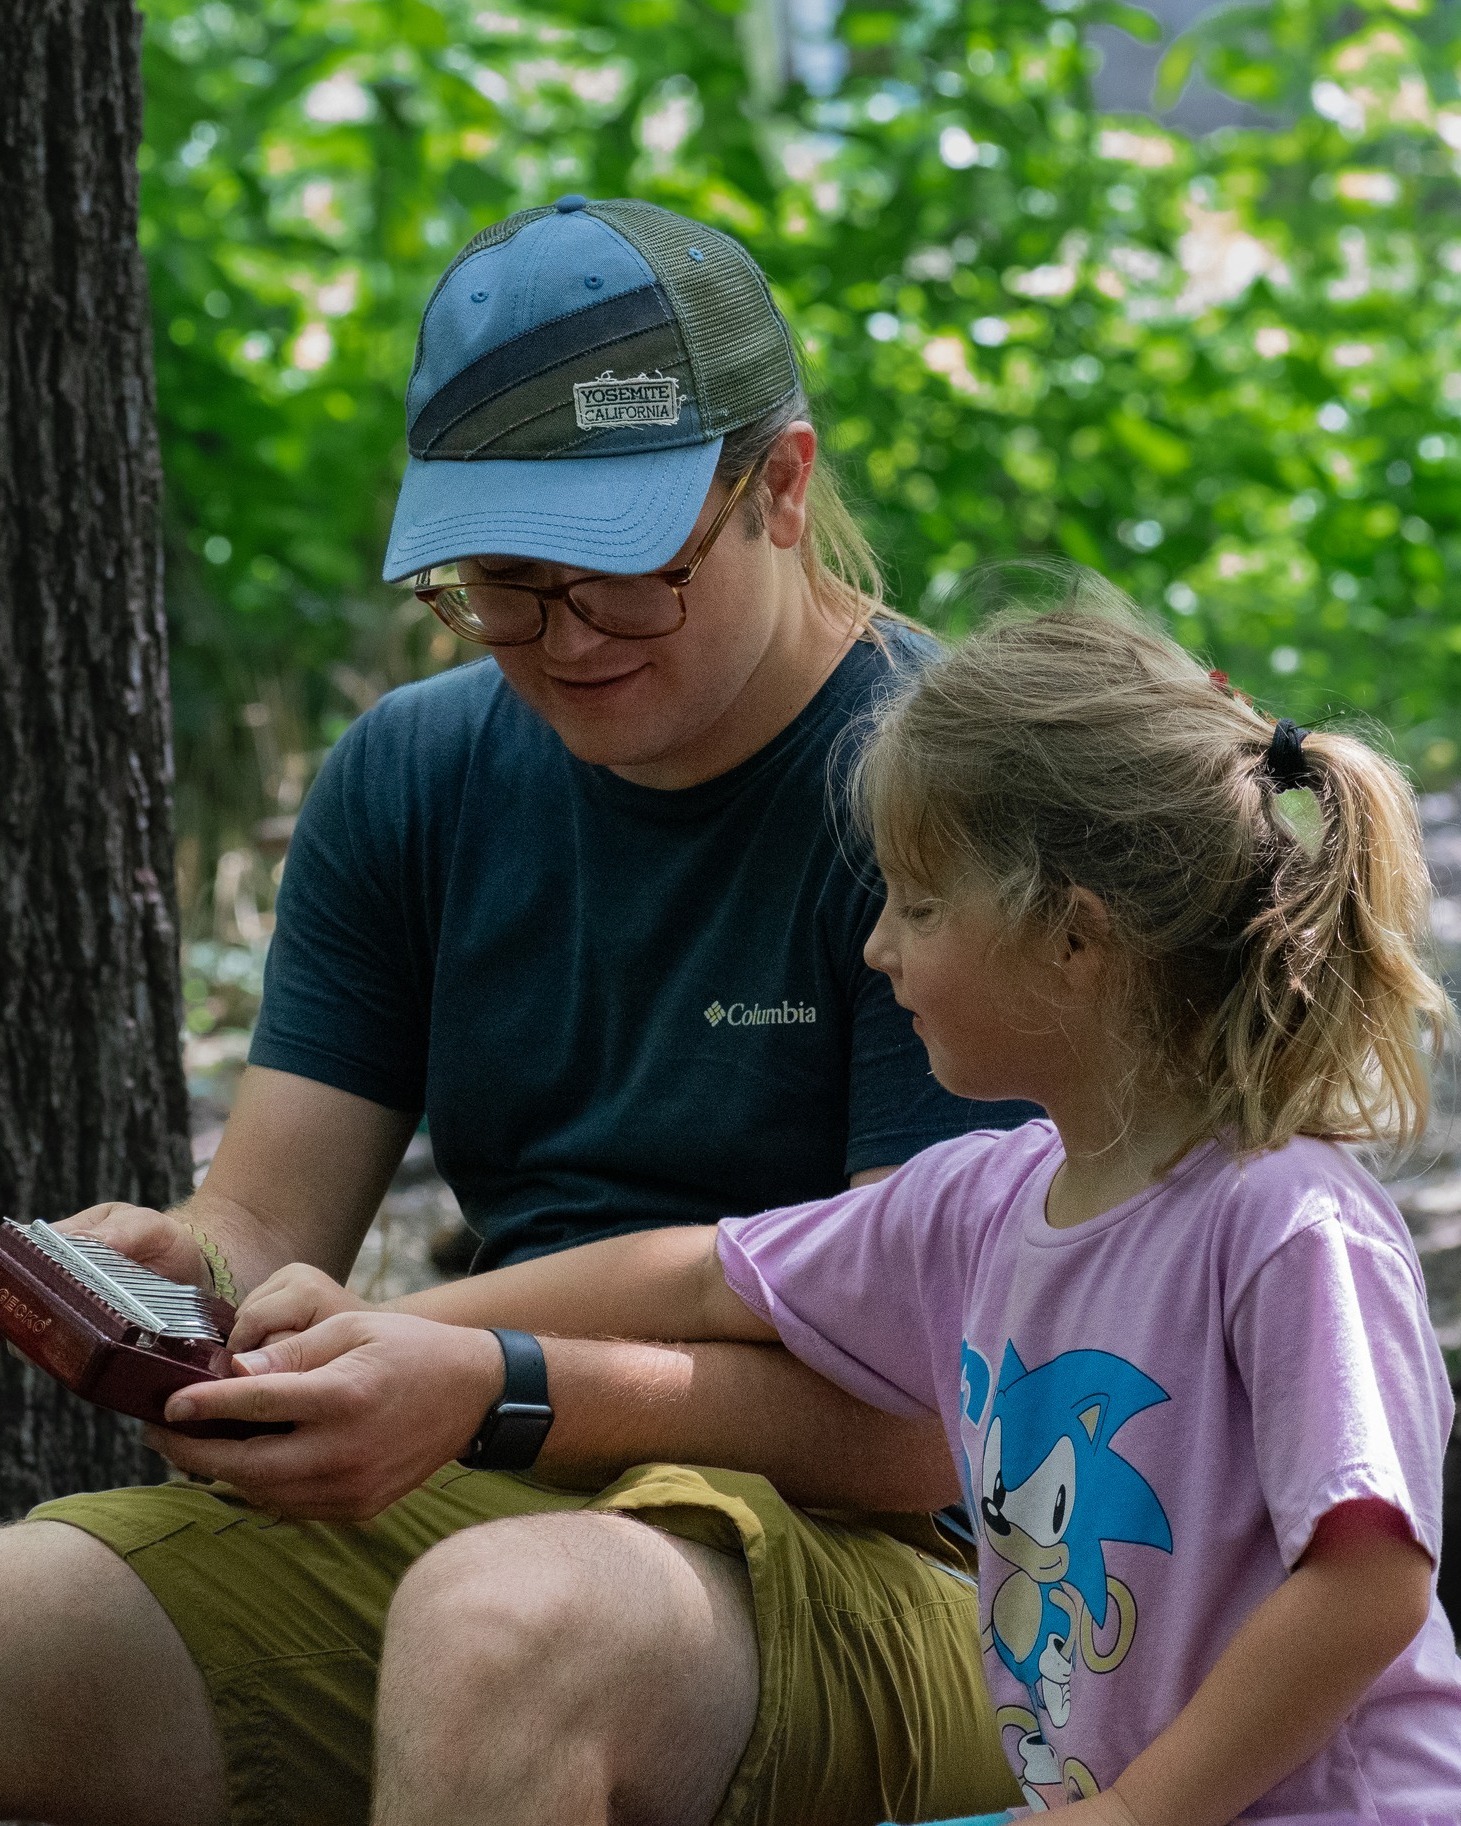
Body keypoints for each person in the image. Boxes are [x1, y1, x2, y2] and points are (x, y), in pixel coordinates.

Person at [2, 197, 1034, 1826]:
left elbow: (934, 1421)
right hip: (495, 1478)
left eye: (621, 576)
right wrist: (180, 1286)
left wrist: (498, 1376)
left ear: (779, 483)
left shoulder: (949, 797)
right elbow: (270, 1215)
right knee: (24, 1626)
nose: (560, 642)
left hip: (929, 1578)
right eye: (498, 582)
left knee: (505, 1633)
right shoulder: (412, 775)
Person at [201, 576, 1461, 1823]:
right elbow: (705, 1274)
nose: (878, 947)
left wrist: (1133, 1813)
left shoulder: (1287, 1223)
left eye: (917, 904)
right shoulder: (984, 1198)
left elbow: (1369, 1580)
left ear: (1075, 939)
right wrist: (430, 1337)